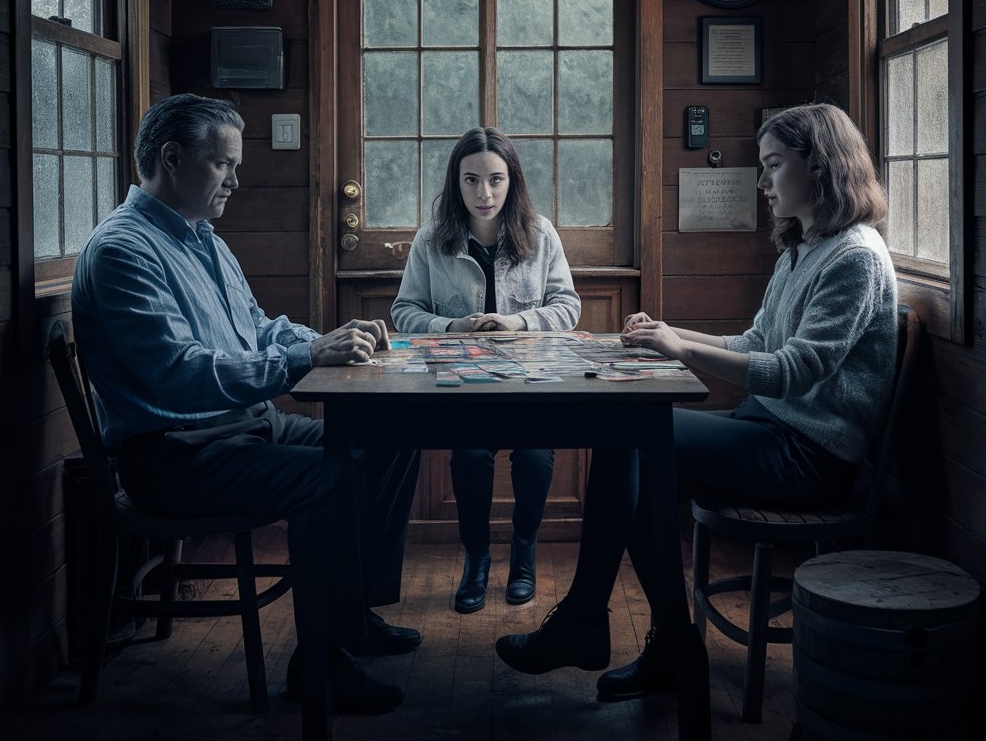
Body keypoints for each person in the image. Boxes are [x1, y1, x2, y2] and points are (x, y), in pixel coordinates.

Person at [494, 103, 899, 700]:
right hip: (769, 429)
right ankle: (665, 645)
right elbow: (758, 342)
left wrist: (677, 349)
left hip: (811, 457)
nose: (762, 182)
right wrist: (670, 333)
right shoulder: (804, 248)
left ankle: (601, 626)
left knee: (630, 438)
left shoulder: (856, 257)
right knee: (631, 449)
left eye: (773, 165)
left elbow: (791, 372)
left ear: (821, 167)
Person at [71, 93, 422, 718]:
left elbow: (258, 327)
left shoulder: (204, 238)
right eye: (224, 164)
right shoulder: (123, 252)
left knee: (392, 436)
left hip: (243, 430)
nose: (236, 178)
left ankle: (348, 616)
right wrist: (308, 360)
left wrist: (327, 341)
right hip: (174, 456)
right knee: (333, 479)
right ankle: (317, 666)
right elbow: (179, 376)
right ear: (173, 159)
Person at [391, 127, 581, 613]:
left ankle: (523, 553)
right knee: (470, 457)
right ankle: (476, 559)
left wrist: (516, 322)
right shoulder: (432, 239)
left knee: (535, 458)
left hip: (531, 381)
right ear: (456, 182)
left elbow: (567, 306)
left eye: (496, 180)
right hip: (461, 385)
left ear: (512, 181)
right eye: (471, 180)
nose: (484, 193)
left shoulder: (540, 234)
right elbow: (405, 311)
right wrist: (452, 324)